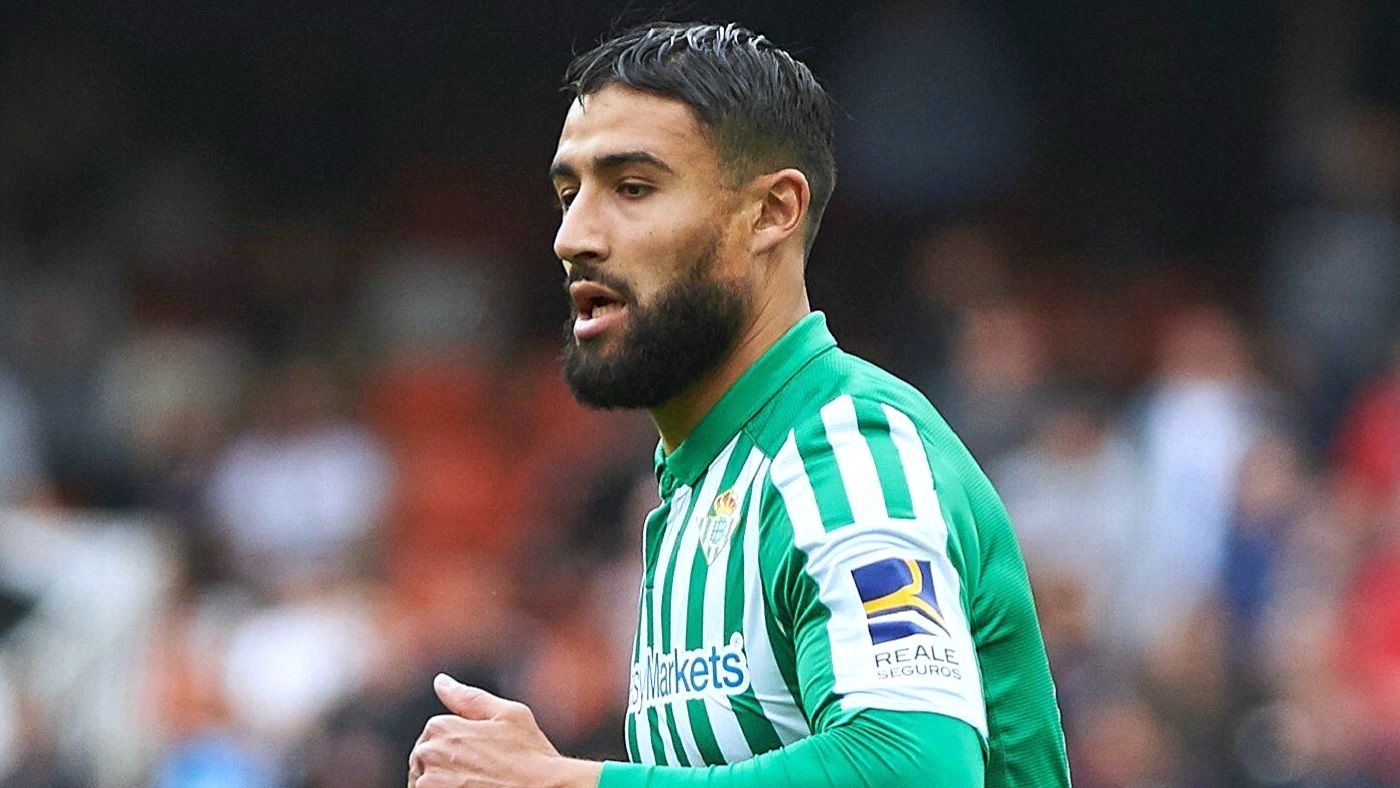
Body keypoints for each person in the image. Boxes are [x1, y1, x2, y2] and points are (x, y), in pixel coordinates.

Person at [408, 21, 1069, 788]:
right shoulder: (701, 487)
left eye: (632, 187)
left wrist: (564, 784)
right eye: (567, 194)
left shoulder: (843, 449)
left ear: (771, 212)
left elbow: (913, 767)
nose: (572, 236)